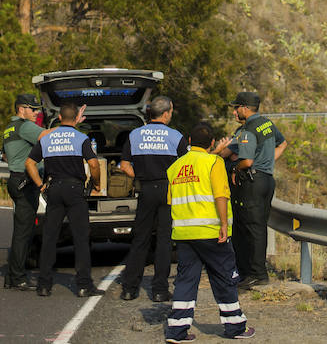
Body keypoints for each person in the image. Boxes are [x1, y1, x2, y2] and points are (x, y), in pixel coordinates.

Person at [164, 121, 255, 343]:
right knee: (224, 278)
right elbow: (221, 196)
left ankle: (177, 330)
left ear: (190, 141)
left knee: (185, 280)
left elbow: (170, 201)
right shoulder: (214, 162)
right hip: (211, 232)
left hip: (184, 235)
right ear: (213, 143)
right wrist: (224, 224)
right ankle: (234, 326)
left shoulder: (175, 167)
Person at [25, 101, 103, 297]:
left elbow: (30, 163)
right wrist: (97, 184)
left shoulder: (47, 138)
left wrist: (40, 185)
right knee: (81, 238)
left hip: (54, 188)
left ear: (59, 117)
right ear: (76, 118)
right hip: (75, 190)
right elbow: (94, 164)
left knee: (50, 238)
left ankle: (44, 285)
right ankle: (84, 285)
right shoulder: (81, 138)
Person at [119, 95, 188, 302]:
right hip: (168, 190)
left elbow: (124, 165)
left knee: (140, 239)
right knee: (164, 241)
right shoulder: (176, 136)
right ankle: (159, 290)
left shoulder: (134, 135)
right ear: (166, 113)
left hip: (146, 189)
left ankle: (130, 288)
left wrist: (139, 176)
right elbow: (185, 166)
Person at [219, 92, 286, 289]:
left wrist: (235, 169)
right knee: (258, 226)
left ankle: (257, 274)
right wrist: (267, 163)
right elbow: (283, 144)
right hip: (266, 179)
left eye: (236, 107)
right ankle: (253, 272)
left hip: (252, 182)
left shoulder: (247, 130)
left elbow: (246, 161)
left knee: (251, 228)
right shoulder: (267, 123)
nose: (234, 112)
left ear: (245, 108)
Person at [2, 94, 44, 290]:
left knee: (21, 231)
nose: (37, 113)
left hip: (15, 179)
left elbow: (5, 155)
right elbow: (49, 137)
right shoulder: (25, 126)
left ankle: (12, 276)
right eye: (33, 109)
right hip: (25, 182)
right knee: (23, 233)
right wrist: (68, 124)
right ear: (21, 109)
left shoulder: (9, 129)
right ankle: (17, 277)